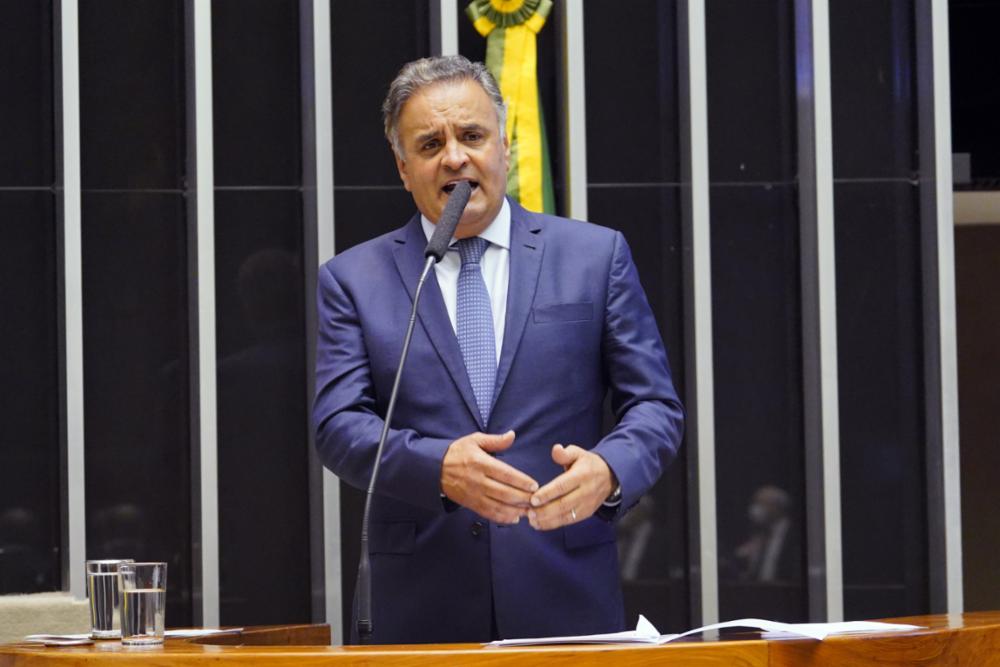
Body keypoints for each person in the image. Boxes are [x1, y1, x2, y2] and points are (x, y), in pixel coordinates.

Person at [313, 55, 684, 644]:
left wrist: (610, 469)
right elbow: (338, 426)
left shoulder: (594, 258)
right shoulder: (354, 279)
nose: (455, 157)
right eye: (430, 143)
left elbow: (656, 408)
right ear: (403, 167)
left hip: (565, 595)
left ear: (504, 147)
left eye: (472, 135)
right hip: (418, 610)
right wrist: (437, 467)